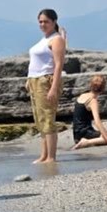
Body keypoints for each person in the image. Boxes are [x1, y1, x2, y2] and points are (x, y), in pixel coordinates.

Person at [26, 8, 66, 164]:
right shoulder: (44, 39)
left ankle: (51, 157)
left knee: (48, 118)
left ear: (54, 22)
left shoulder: (56, 39)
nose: (42, 24)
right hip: (34, 80)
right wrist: (28, 79)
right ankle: (44, 155)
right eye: (40, 21)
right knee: (40, 119)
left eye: (46, 21)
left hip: (46, 80)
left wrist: (54, 87)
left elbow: (58, 65)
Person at [70, 74, 107, 150]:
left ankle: (88, 140)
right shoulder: (92, 101)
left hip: (77, 133)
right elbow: (97, 122)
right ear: (103, 88)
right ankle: (87, 142)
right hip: (85, 133)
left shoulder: (82, 95)